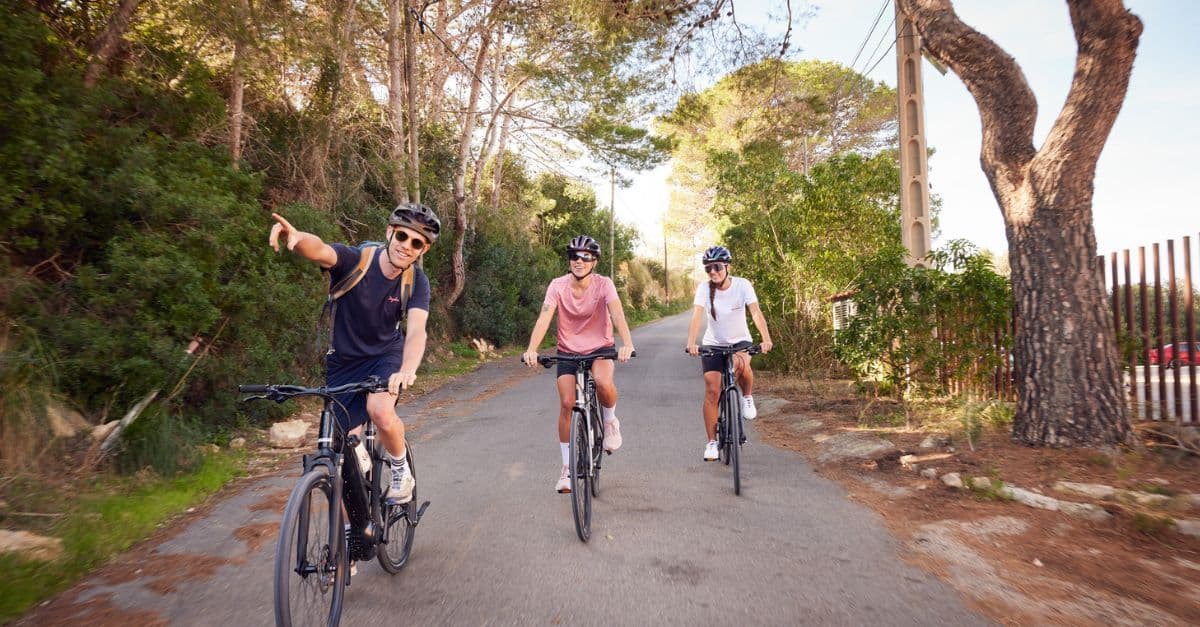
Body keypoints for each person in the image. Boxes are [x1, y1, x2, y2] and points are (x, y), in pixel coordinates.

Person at [268, 203, 440, 505]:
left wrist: (407, 369)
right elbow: (321, 250)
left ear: (422, 250)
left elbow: (415, 332)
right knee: (346, 454)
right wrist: (296, 239)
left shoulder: (416, 281)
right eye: (403, 236)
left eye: (417, 243)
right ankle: (354, 531)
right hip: (343, 360)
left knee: (381, 411)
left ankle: (400, 468)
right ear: (390, 232)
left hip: (385, 356)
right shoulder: (356, 260)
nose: (407, 246)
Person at [522, 235, 636, 493]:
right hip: (568, 350)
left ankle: (609, 420)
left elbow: (617, 314)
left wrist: (627, 343)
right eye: (575, 256)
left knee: (603, 381)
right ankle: (566, 468)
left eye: (586, 257)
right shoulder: (557, 285)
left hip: (600, 347)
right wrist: (532, 349)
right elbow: (544, 318)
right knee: (566, 403)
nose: (579, 261)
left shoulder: (604, 284)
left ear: (594, 261)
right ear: (569, 260)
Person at [685, 245, 774, 462]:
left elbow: (755, 312)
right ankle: (712, 442)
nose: (713, 272)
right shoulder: (704, 289)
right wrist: (691, 343)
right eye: (708, 269)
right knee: (712, 390)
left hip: (740, 341)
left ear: (727, 266)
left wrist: (766, 338)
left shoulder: (743, 285)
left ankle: (747, 397)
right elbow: (697, 317)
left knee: (742, 366)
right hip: (713, 344)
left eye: (717, 267)